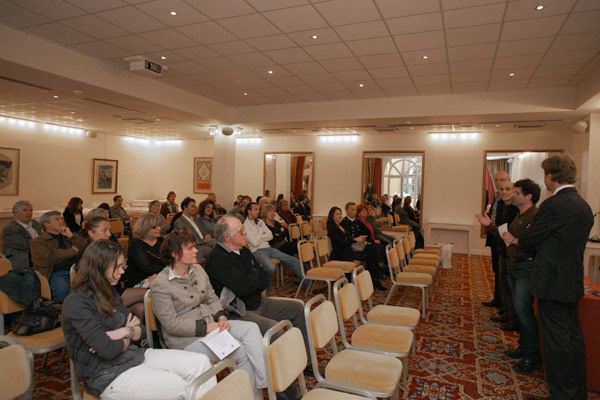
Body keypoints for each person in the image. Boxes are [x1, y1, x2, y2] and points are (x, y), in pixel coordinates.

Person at [62, 239, 215, 399]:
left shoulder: (108, 292)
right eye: (119, 266)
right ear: (101, 267)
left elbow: (140, 331)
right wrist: (127, 332)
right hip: (107, 375)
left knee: (201, 364)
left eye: (123, 266)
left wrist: (122, 333)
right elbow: (107, 350)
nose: (123, 272)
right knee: (181, 386)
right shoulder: (76, 303)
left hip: (134, 356)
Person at [502, 155, 594, 400]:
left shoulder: (554, 205)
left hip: (552, 282)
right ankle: (575, 392)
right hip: (570, 279)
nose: (545, 180)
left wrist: (526, 236)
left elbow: (531, 239)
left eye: (545, 175)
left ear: (552, 176)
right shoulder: (582, 204)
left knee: (556, 342)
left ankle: (561, 394)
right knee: (572, 339)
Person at [151, 231, 267, 400]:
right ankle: (254, 395)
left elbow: (212, 297)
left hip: (210, 323)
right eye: (190, 248)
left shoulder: (197, 269)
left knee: (251, 328)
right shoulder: (161, 284)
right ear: (175, 255)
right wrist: (206, 328)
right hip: (186, 339)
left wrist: (221, 317)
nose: (196, 250)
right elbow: (171, 324)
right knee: (242, 352)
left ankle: (264, 382)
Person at [205, 216, 309, 353]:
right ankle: (281, 371)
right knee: (275, 329)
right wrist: (254, 275)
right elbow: (243, 288)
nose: (245, 233)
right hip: (238, 311)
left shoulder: (243, 250)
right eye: (241, 231)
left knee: (297, 308)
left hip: (256, 301)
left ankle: (305, 360)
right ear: (227, 238)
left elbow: (264, 277)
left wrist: (251, 278)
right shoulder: (217, 259)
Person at [477, 179, 542, 373]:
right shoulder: (520, 214)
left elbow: (530, 243)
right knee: (520, 309)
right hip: (515, 265)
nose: (513, 194)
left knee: (523, 311)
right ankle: (524, 347)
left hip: (525, 267)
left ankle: (531, 357)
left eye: (517, 192)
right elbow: (506, 236)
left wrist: (513, 240)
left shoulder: (535, 216)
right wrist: (490, 225)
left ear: (528, 196)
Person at [80, 217, 146, 319]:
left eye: (109, 230)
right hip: (101, 295)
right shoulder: (87, 255)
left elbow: (124, 276)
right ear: (91, 233)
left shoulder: (112, 249)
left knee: (141, 307)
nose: (109, 234)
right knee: (148, 294)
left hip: (113, 290)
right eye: (104, 231)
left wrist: (123, 268)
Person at [477, 180, 519, 331]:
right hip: (502, 249)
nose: (504, 191)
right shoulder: (501, 205)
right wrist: (490, 226)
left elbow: (509, 233)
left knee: (511, 286)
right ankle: (507, 312)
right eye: (501, 189)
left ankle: (512, 318)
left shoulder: (516, 209)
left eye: (508, 189)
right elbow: (501, 231)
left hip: (512, 253)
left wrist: (490, 226)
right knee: (503, 283)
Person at [243, 203, 303, 289]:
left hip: (269, 248)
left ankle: (307, 283)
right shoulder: (245, 226)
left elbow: (270, 235)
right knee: (271, 267)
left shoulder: (260, 222)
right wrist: (262, 233)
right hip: (257, 251)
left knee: (294, 260)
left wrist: (258, 236)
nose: (258, 211)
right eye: (255, 209)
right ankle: (268, 289)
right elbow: (254, 243)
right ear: (249, 211)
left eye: (259, 209)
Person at [31, 211, 87, 300]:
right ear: (46, 224)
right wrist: (73, 251)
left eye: (62, 219)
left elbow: (84, 247)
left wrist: (71, 236)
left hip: (78, 270)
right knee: (63, 289)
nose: (61, 221)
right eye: (57, 219)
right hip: (56, 273)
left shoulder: (67, 235)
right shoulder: (38, 241)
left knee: (96, 286)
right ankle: (61, 311)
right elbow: (48, 257)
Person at [328, 206, 386, 291]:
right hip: (341, 254)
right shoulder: (332, 228)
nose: (339, 216)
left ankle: (372, 281)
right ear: (332, 216)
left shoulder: (340, 226)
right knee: (370, 255)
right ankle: (372, 281)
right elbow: (342, 242)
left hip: (347, 250)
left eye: (340, 214)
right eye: (337, 214)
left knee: (372, 253)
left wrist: (356, 239)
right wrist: (355, 239)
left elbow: (348, 238)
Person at [482, 170, 510, 308]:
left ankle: (504, 304)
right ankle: (498, 300)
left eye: (502, 180)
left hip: (504, 240)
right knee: (497, 271)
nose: (499, 183)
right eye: (497, 180)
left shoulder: (508, 200)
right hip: (495, 238)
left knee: (503, 274)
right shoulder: (497, 196)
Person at [124, 213, 165, 289]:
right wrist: (167, 270)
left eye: (159, 225)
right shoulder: (136, 246)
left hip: (161, 276)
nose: (159, 228)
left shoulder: (162, 241)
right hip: (140, 280)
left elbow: (173, 260)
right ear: (145, 229)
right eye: (154, 227)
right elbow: (148, 268)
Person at [2, 200, 43, 271]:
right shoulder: (10, 228)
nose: (29, 213)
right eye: (25, 210)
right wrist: (43, 243)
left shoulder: (35, 223)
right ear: (16, 213)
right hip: (22, 257)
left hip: (38, 253)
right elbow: (24, 245)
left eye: (31, 210)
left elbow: (45, 236)